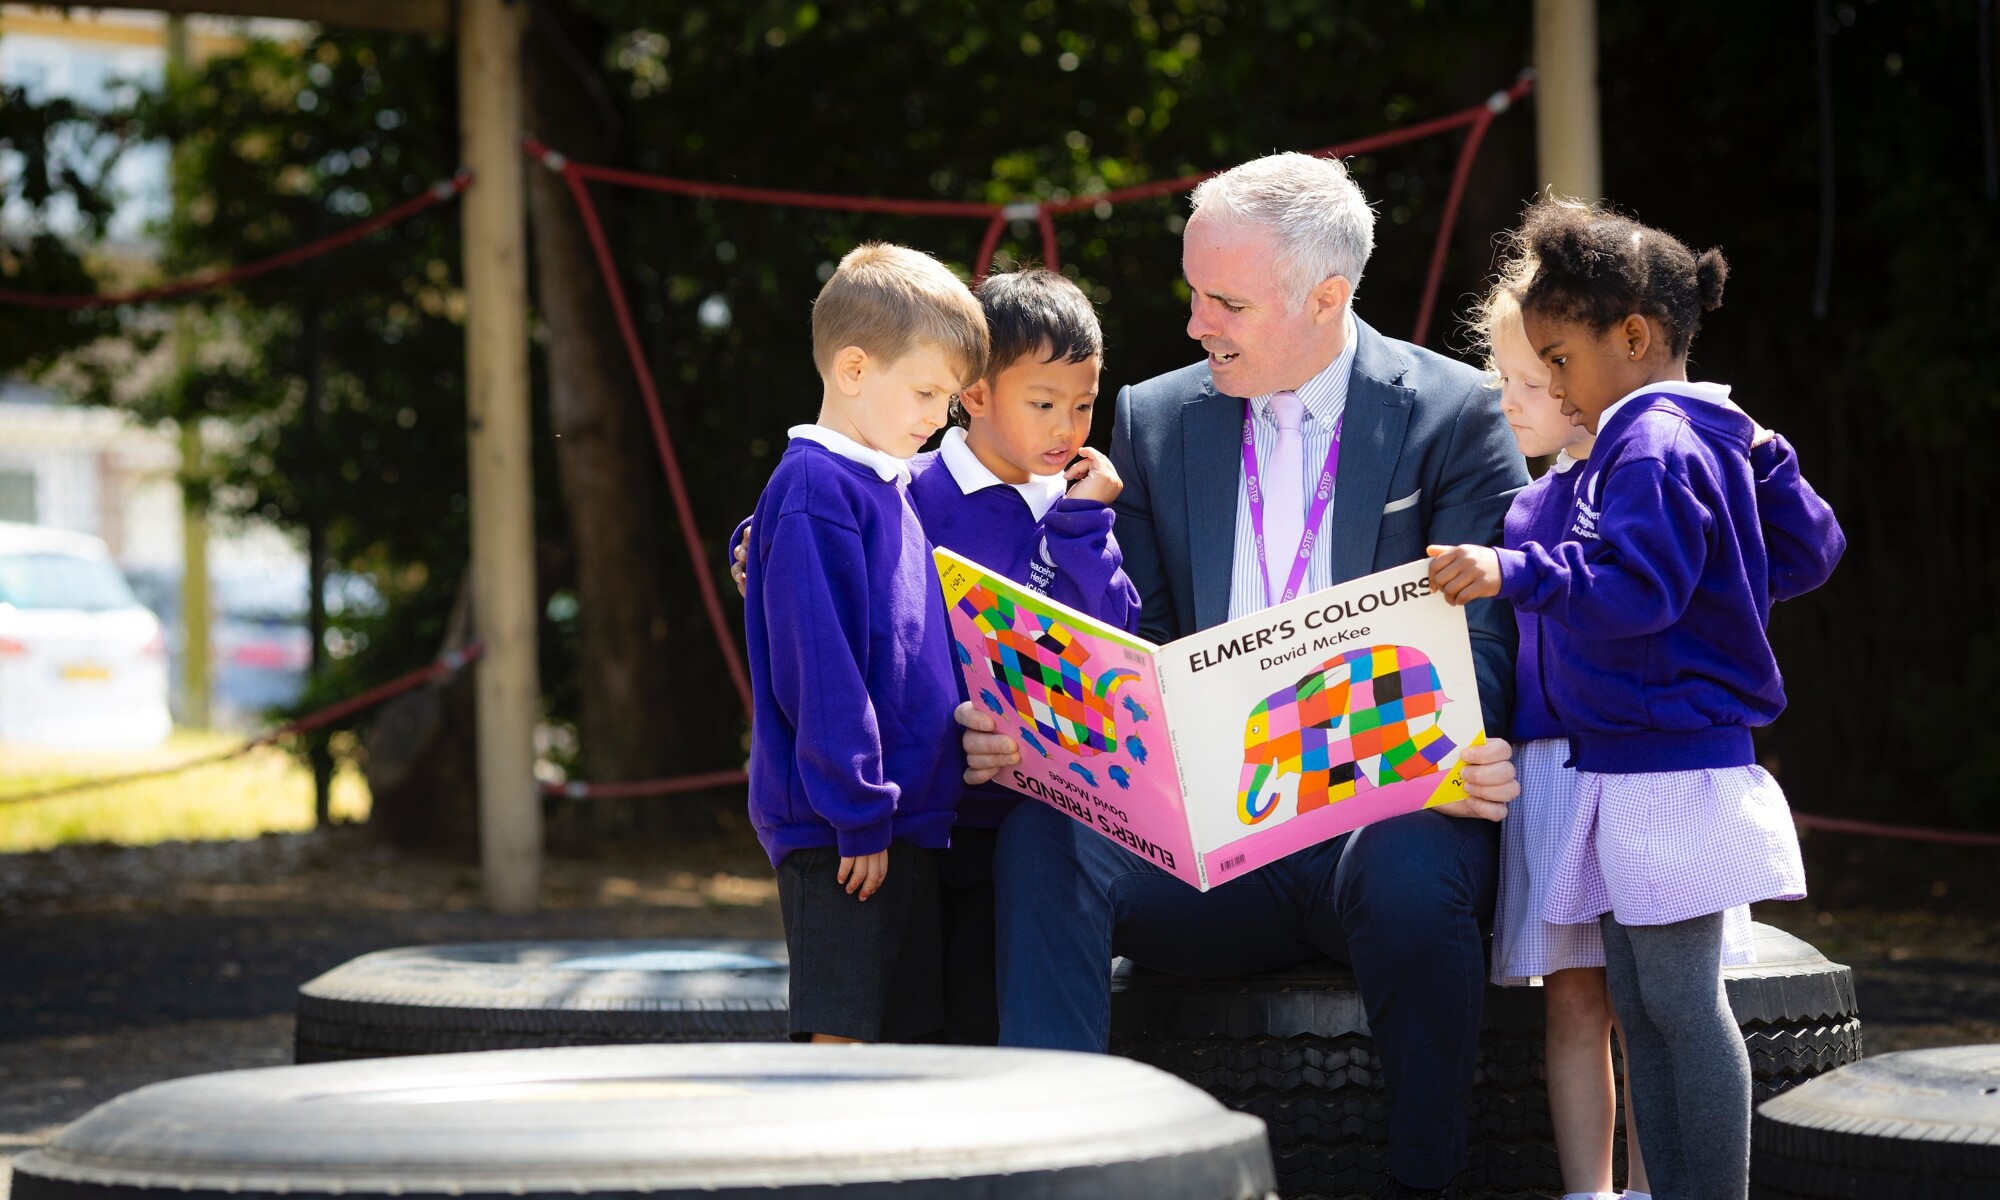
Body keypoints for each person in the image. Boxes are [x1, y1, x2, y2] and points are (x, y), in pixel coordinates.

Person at [958, 152, 1530, 1199]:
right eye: (1190, 292)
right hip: (1205, 832)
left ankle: (1423, 1186)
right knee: (1046, 832)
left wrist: (1431, 744)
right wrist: (1036, 721)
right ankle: (1055, 1173)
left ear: (1326, 297)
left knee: (1411, 865)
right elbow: (1132, 639)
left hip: (1383, 815)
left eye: (1223, 301)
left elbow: (1487, 647)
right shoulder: (1151, 415)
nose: (1192, 325)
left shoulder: (1453, 414)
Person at [1428, 200, 1843, 1198]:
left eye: (1559, 358)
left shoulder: (1648, 439)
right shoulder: (1682, 433)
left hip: (1667, 768)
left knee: (1677, 1007)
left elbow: (1640, 591)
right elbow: (1806, 551)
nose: (1554, 387)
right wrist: (1762, 458)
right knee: (1652, 1004)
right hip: (1642, 764)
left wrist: (1513, 571)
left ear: (1632, 336)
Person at [740, 242, 987, 1045]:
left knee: (906, 1047)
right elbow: (821, 668)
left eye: (947, 400)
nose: (937, 416)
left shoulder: (882, 482)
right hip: (841, 833)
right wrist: (857, 811)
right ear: (852, 371)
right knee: (839, 1046)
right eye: (925, 391)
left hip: (900, 823)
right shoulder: (816, 488)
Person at [906, 268, 1141, 1045]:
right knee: (914, 1030)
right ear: (972, 393)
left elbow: (1116, 642)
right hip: (924, 820)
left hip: (1035, 826)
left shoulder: (1082, 510)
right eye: (1042, 404)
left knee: (992, 1025)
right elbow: (821, 522)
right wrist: (753, 543)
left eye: (1083, 404)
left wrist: (1082, 526)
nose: (1067, 428)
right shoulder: (909, 489)